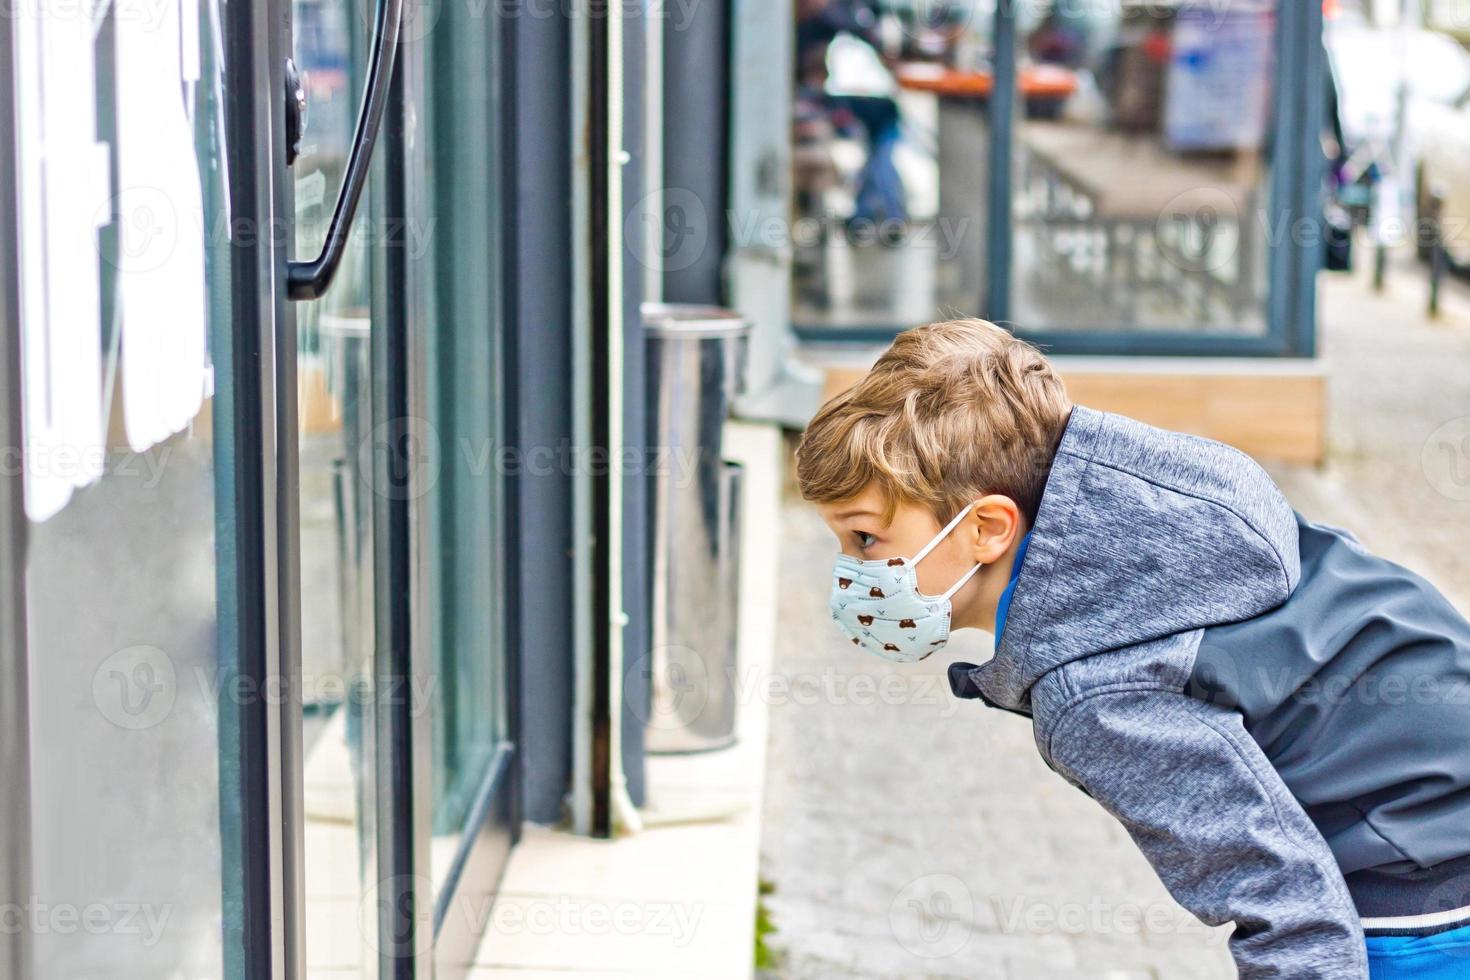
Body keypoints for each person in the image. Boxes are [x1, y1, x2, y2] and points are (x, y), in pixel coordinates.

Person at [795, 317, 1470, 979]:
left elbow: (1285, 901)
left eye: (865, 540)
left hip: (1422, 879)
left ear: (988, 529)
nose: (852, 574)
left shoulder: (1092, 689)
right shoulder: (1173, 514)